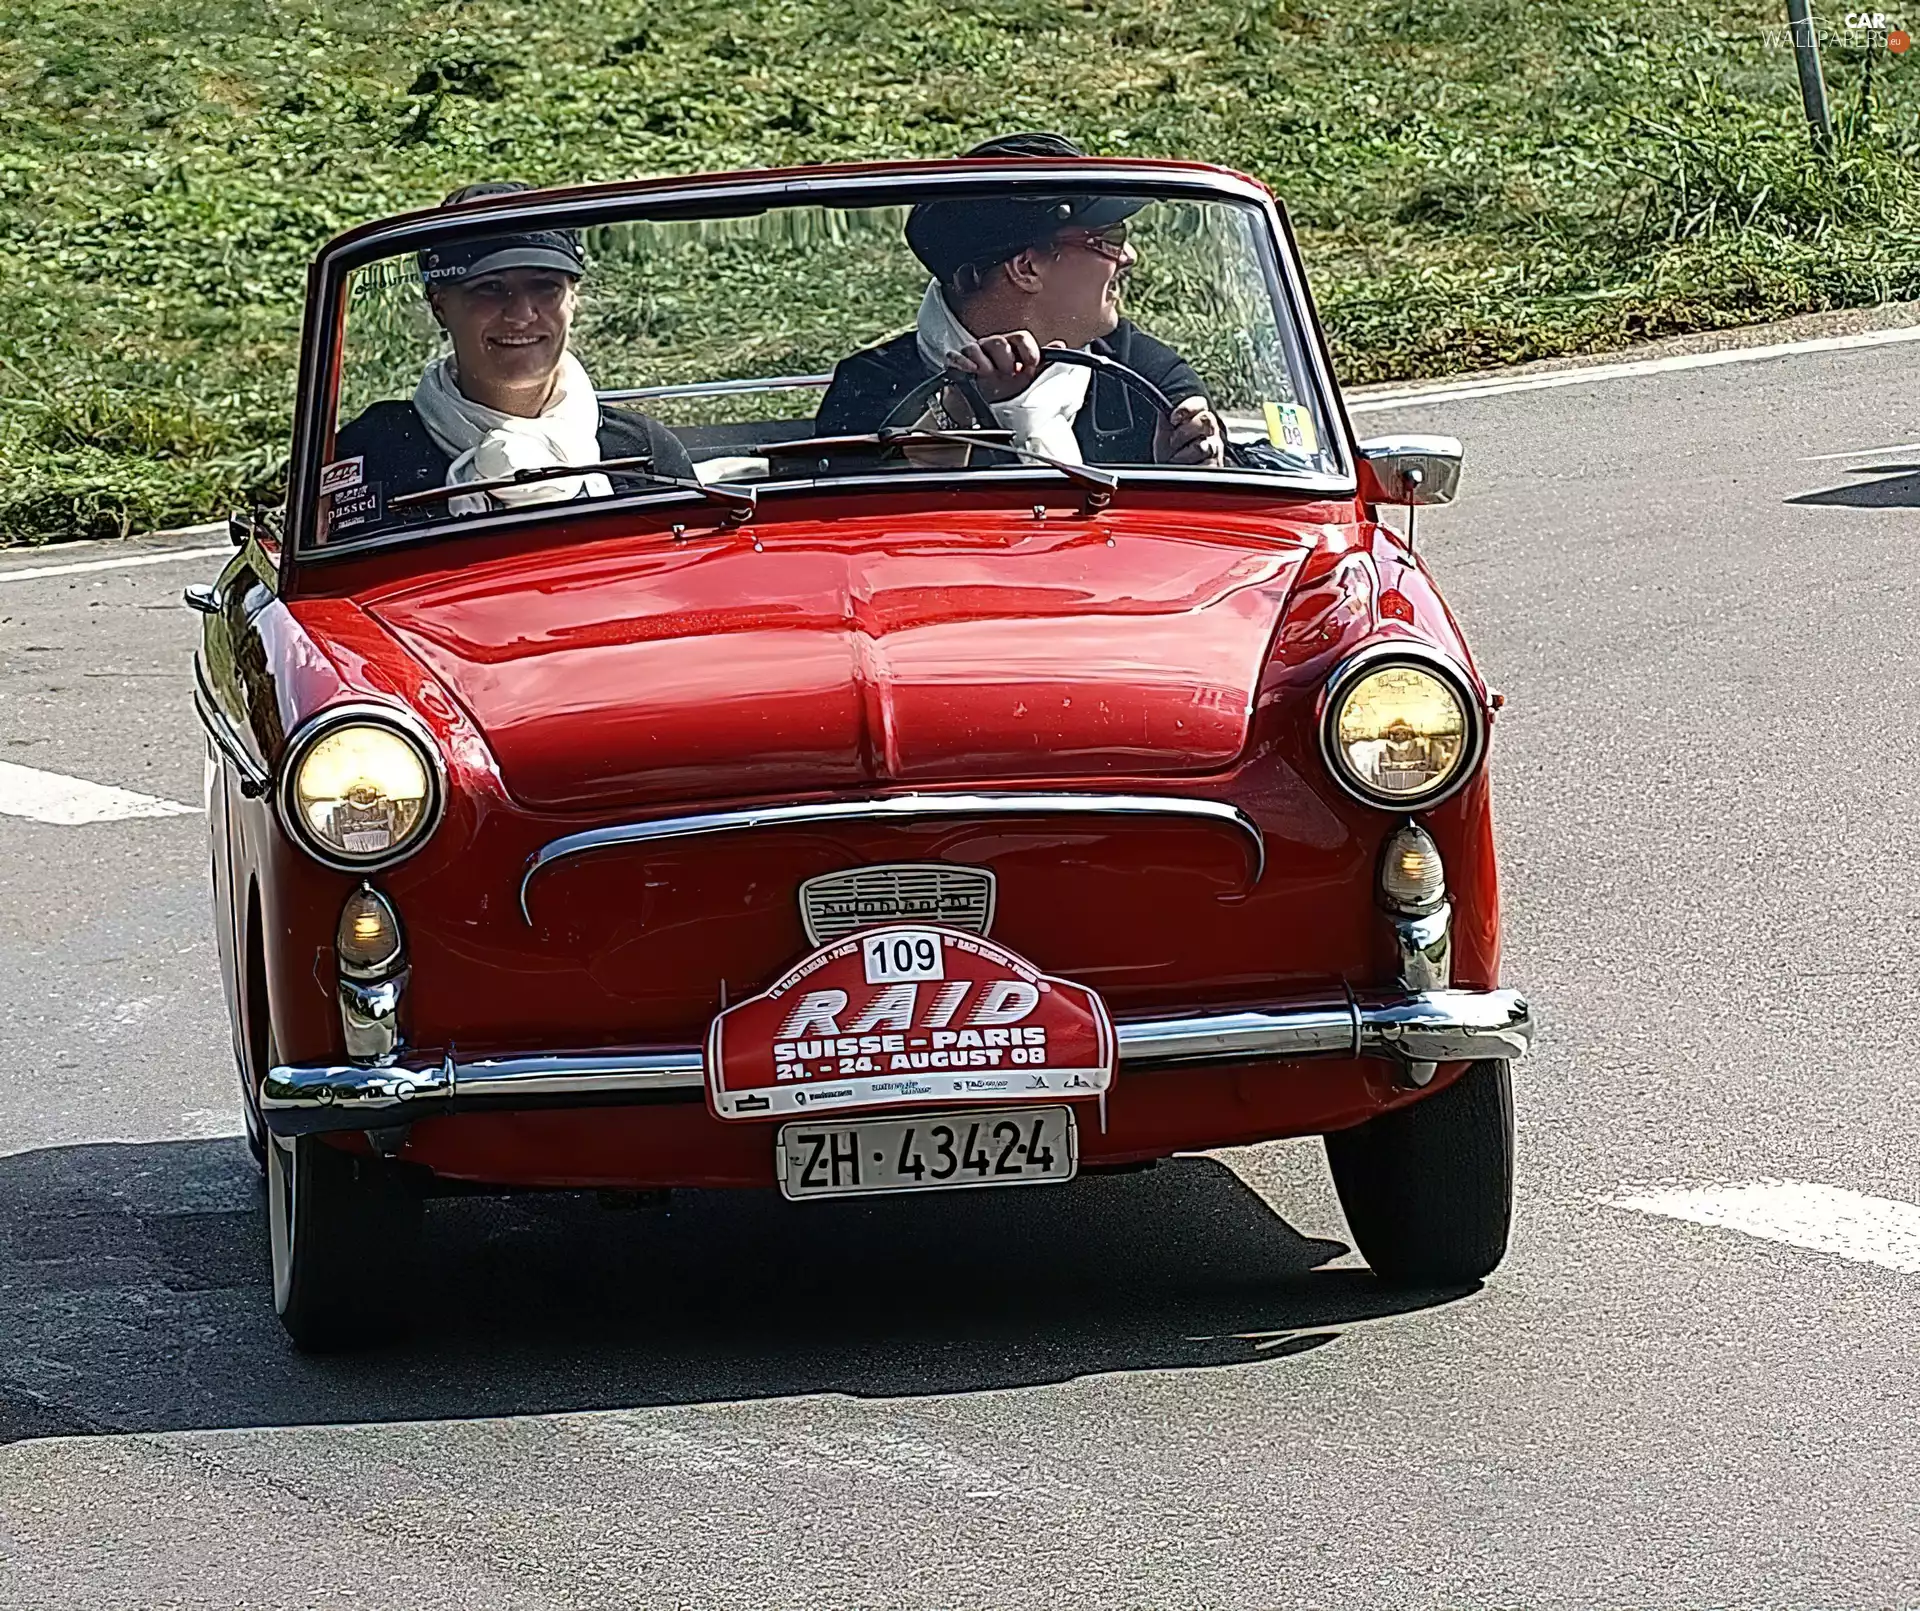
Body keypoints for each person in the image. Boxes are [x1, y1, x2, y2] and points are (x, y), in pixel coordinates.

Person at [814, 134, 1226, 469]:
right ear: (1027, 267)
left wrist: (1194, 465)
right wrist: (952, 414)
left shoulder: (1144, 376)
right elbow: (850, 532)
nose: (1129, 257)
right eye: (1110, 238)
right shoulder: (869, 387)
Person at [332, 181, 694, 520]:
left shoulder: (643, 452)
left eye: (544, 287)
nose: (521, 314)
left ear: (573, 299)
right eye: (489, 287)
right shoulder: (369, 456)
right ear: (439, 304)